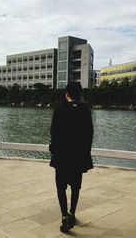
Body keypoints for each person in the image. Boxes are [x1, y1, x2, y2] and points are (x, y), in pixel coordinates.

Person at [50, 82, 94, 233]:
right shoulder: (85, 109)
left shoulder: (59, 109)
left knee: (60, 187)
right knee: (75, 187)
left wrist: (53, 150)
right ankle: (72, 213)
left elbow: (53, 132)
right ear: (79, 94)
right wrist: (86, 153)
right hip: (78, 156)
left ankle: (64, 215)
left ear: (67, 94)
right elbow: (89, 134)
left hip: (61, 156)